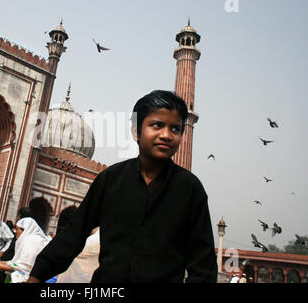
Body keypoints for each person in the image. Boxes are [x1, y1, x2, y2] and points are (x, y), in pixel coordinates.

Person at [27, 90, 217, 283]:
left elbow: (203, 266)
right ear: (136, 131)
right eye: (157, 125)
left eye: (175, 129)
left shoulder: (190, 189)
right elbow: (72, 236)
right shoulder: (110, 180)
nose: (167, 135)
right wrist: (36, 276)